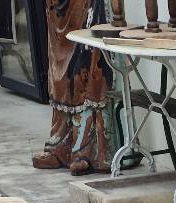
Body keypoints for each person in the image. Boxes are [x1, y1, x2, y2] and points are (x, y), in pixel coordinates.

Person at [33, 0, 116, 175]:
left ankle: (87, 150)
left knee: (88, 68)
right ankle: (60, 145)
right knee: (60, 77)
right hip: (58, 12)